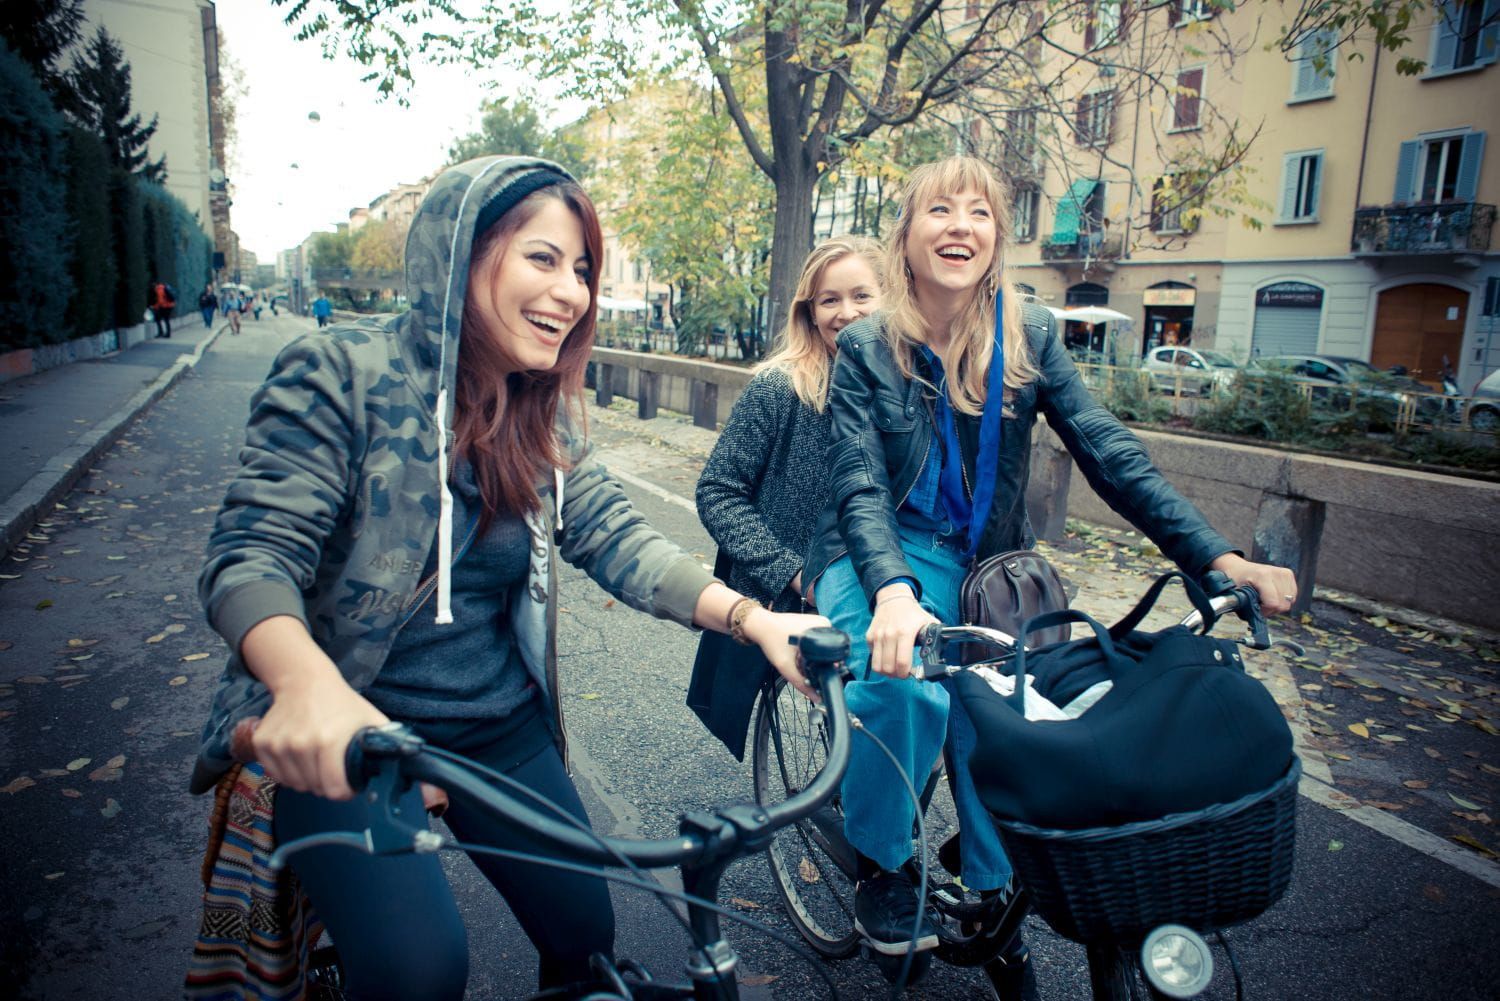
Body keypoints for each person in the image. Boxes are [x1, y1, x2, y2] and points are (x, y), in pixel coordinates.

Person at [186, 156, 826, 1001]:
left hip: (498, 727)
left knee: (587, 936)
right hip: (357, 739)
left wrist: (755, 619)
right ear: (462, 251)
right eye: (543, 258)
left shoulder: (541, 408)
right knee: (419, 972)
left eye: (584, 269)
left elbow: (617, 537)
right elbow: (252, 553)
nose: (571, 291)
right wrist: (309, 692)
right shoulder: (339, 372)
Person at [800, 156, 1298, 971]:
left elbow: (1109, 452)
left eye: (979, 213)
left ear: (997, 239)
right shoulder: (865, 344)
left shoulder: (1028, 334)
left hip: (989, 563)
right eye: (939, 210)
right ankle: (886, 865)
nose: (960, 225)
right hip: (879, 551)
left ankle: (999, 880)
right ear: (907, 234)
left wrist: (1215, 557)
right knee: (903, 689)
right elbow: (857, 486)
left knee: (1035, 710)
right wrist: (890, 592)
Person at [690, 236, 884, 758]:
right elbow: (718, 492)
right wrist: (791, 572)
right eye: (830, 300)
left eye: (863, 296)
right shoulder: (779, 390)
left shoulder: (903, 397)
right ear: (810, 312)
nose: (848, 313)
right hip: (792, 591)